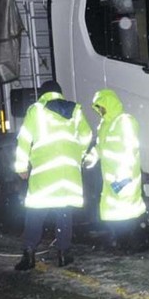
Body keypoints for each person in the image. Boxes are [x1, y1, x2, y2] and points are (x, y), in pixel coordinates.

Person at [13, 81, 91, 270]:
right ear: (60, 93)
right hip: (68, 175)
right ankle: (64, 254)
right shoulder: (75, 110)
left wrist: (21, 167)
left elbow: (24, 139)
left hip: (45, 173)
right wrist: (78, 155)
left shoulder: (37, 110)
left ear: (43, 94)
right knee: (64, 213)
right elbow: (87, 135)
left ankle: (29, 254)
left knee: (35, 212)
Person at [84, 89, 147, 253]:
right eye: (98, 107)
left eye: (101, 106)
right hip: (111, 177)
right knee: (116, 212)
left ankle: (129, 244)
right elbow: (100, 146)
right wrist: (91, 157)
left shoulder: (124, 121)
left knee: (128, 211)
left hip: (125, 176)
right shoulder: (104, 125)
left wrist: (123, 173)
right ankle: (121, 242)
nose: (100, 110)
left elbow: (130, 148)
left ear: (109, 103)